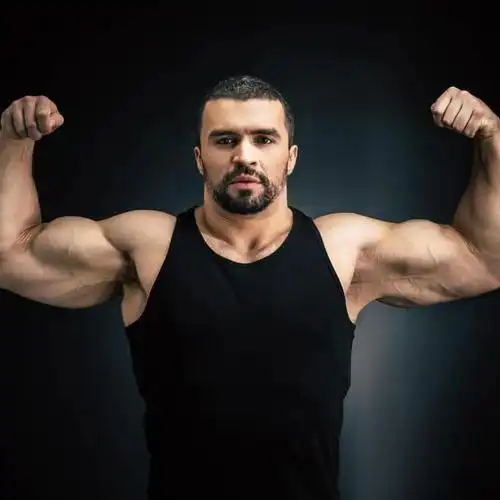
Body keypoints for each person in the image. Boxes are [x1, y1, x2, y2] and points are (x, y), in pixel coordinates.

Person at [0, 75, 499, 500]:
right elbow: (11, 257)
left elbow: (483, 260)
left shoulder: (343, 251)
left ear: (291, 157)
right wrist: (13, 141)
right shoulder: (148, 247)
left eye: (264, 139)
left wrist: (492, 140)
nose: (244, 156)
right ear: (199, 158)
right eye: (225, 140)